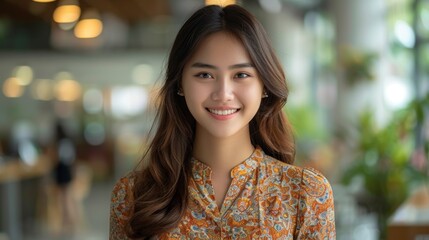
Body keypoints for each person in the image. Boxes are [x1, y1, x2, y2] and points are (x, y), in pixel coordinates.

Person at [109, 4, 335, 240]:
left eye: (241, 75)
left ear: (265, 85)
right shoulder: (132, 195)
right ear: (180, 84)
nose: (223, 93)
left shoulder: (305, 193)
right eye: (204, 75)